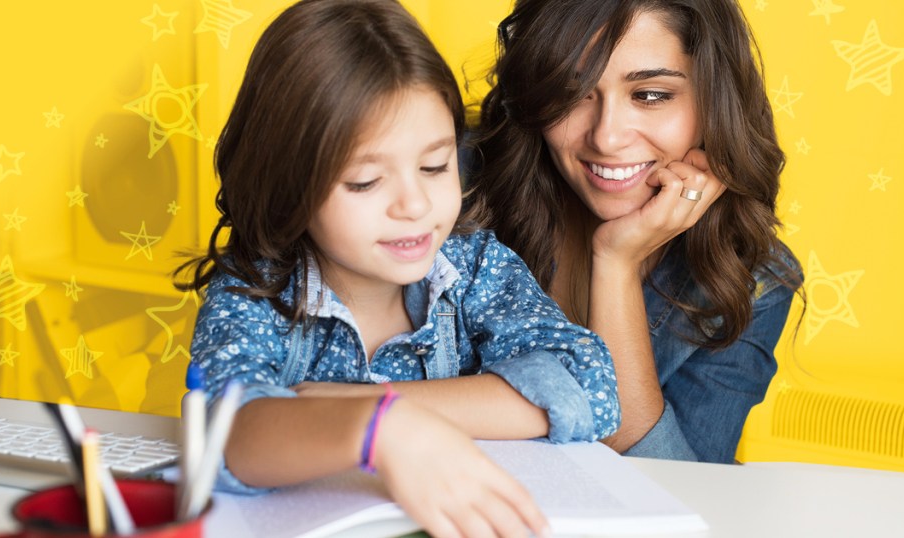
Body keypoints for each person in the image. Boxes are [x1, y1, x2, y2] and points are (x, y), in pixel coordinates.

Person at [176, 0, 619, 535]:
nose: (413, 205)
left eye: (435, 166)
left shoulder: (473, 265)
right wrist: (377, 430)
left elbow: (587, 385)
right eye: (365, 182)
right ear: (289, 182)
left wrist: (380, 404)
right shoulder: (255, 291)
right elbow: (228, 432)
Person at [465, 0, 805, 464]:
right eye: (572, 92)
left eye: (649, 95)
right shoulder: (442, 186)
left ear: (713, 99)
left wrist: (616, 264)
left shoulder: (752, 281)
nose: (606, 137)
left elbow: (678, 492)